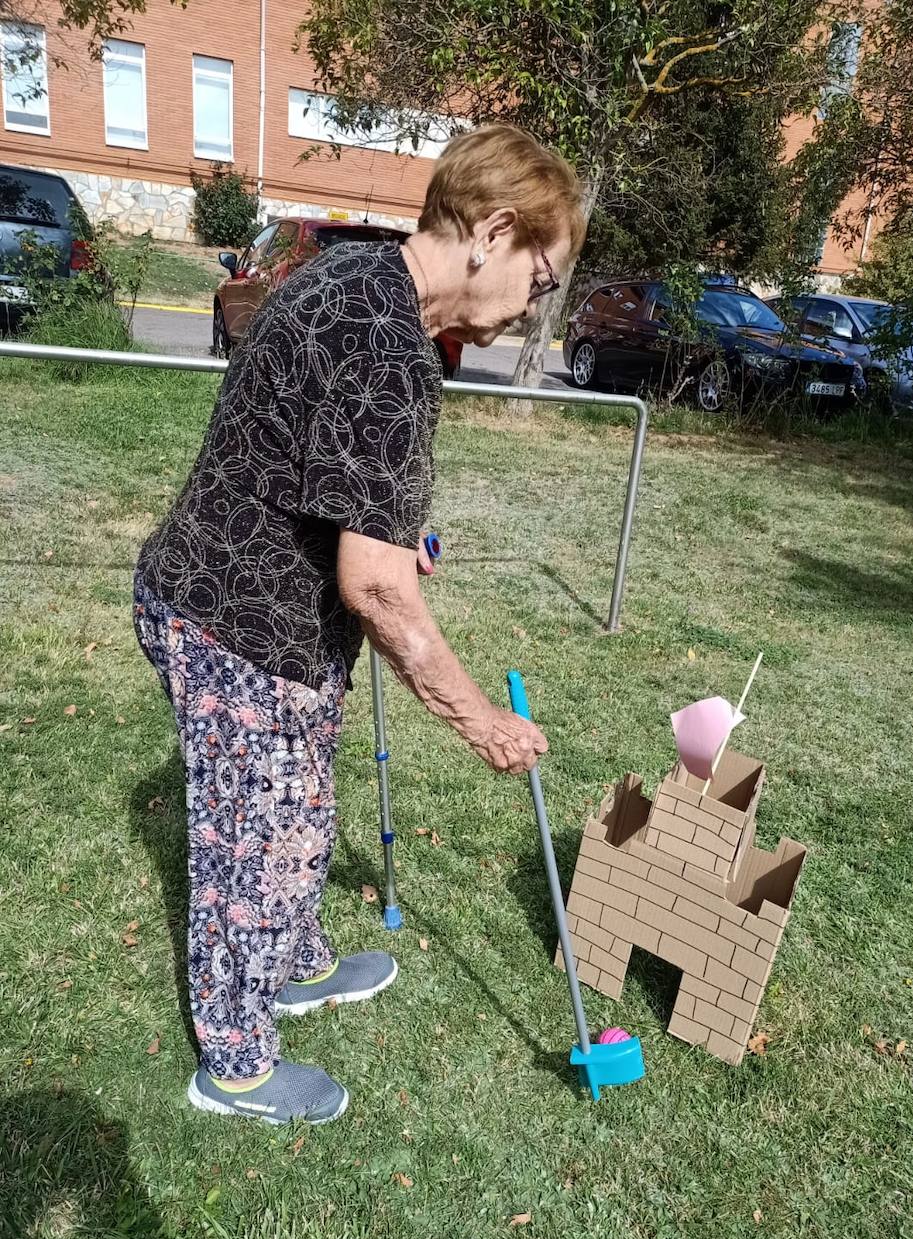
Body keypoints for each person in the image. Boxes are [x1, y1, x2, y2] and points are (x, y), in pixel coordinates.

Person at [132, 125, 586, 1125]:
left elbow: (322, 460)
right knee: (249, 850)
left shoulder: (358, 277)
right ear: (492, 231)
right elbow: (376, 591)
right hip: (231, 622)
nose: (533, 303)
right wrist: (481, 722)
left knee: (296, 813)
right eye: (538, 274)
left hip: (260, 608)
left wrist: (380, 526)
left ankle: (292, 966)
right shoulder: (384, 338)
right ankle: (236, 1066)